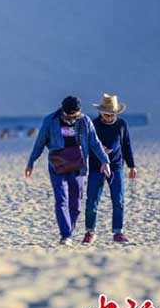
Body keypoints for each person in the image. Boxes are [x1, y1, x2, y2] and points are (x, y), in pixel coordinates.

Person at [25, 96, 111, 245]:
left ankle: (69, 231)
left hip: (78, 166)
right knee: (61, 200)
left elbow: (95, 142)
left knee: (76, 204)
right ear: (63, 110)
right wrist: (31, 162)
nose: (71, 118)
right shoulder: (50, 121)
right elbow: (39, 143)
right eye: (69, 115)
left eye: (74, 115)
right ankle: (66, 235)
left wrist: (105, 161)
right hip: (57, 166)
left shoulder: (85, 121)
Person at [83, 94, 137, 244]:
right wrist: (101, 153)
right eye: (106, 114)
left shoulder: (121, 124)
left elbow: (126, 145)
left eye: (111, 114)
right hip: (96, 167)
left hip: (116, 167)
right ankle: (90, 232)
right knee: (92, 200)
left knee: (118, 199)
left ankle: (118, 232)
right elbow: (88, 146)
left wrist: (132, 166)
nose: (108, 117)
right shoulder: (93, 125)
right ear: (101, 112)